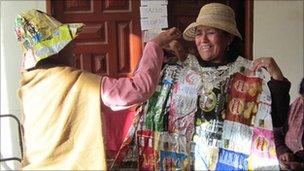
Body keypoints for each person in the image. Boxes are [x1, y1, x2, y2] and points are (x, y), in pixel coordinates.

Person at [112, 3, 291, 170]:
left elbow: (275, 119)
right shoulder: (180, 69)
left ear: (228, 38)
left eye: (211, 32)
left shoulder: (249, 74)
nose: (203, 40)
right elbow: (145, 96)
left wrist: (277, 77)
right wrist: (160, 60)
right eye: (199, 33)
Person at [14, 10, 182, 170]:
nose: (73, 49)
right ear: (54, 52)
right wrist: (154, 45)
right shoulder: (71, 80)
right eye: (66, 44)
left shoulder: (29, 84)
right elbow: (138, 89)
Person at [274, 78, 304, 170]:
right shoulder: (297, 106)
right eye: (303, 98)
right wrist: (283, 153)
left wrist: (301, 167)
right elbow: (277, 134)